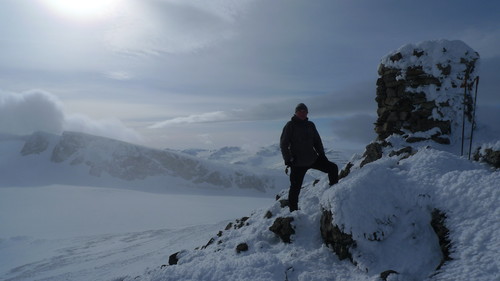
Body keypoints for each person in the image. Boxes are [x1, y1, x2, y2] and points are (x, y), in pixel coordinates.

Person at [280, 103, 338, 212]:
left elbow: (317, 141)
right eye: (300, 111)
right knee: (295, 188)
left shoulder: (310, 125)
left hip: (313, 159)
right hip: (297, 163)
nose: (302, 113)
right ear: (296, 112)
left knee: (333, 168)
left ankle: (334, 193)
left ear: (307, 113)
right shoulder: (290, 125)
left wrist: (322, 155)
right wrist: (288, 160)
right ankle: (293, 211)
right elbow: (284, 144)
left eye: (304, 111)